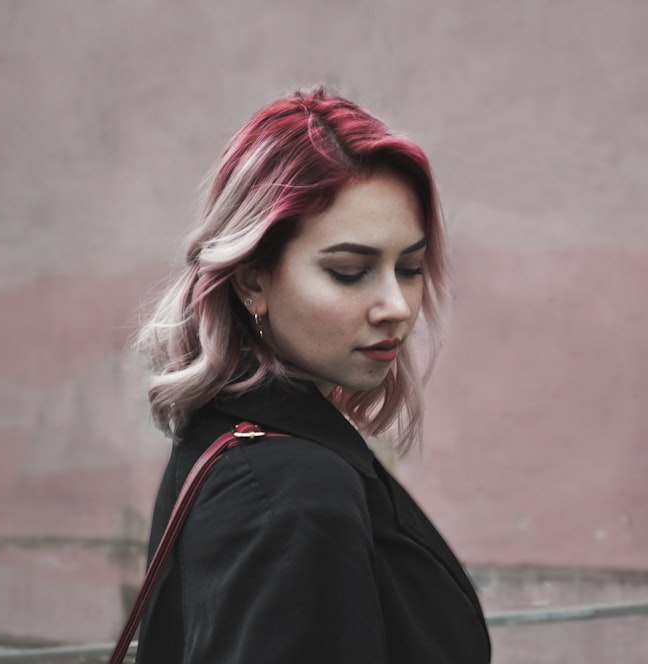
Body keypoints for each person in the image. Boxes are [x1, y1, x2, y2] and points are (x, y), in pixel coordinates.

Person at [133, 86, 491, 663]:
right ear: (252, 279)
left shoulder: (233, 441)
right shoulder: (290, 493)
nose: (397, 306)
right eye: (350, 271)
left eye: (410, 267)